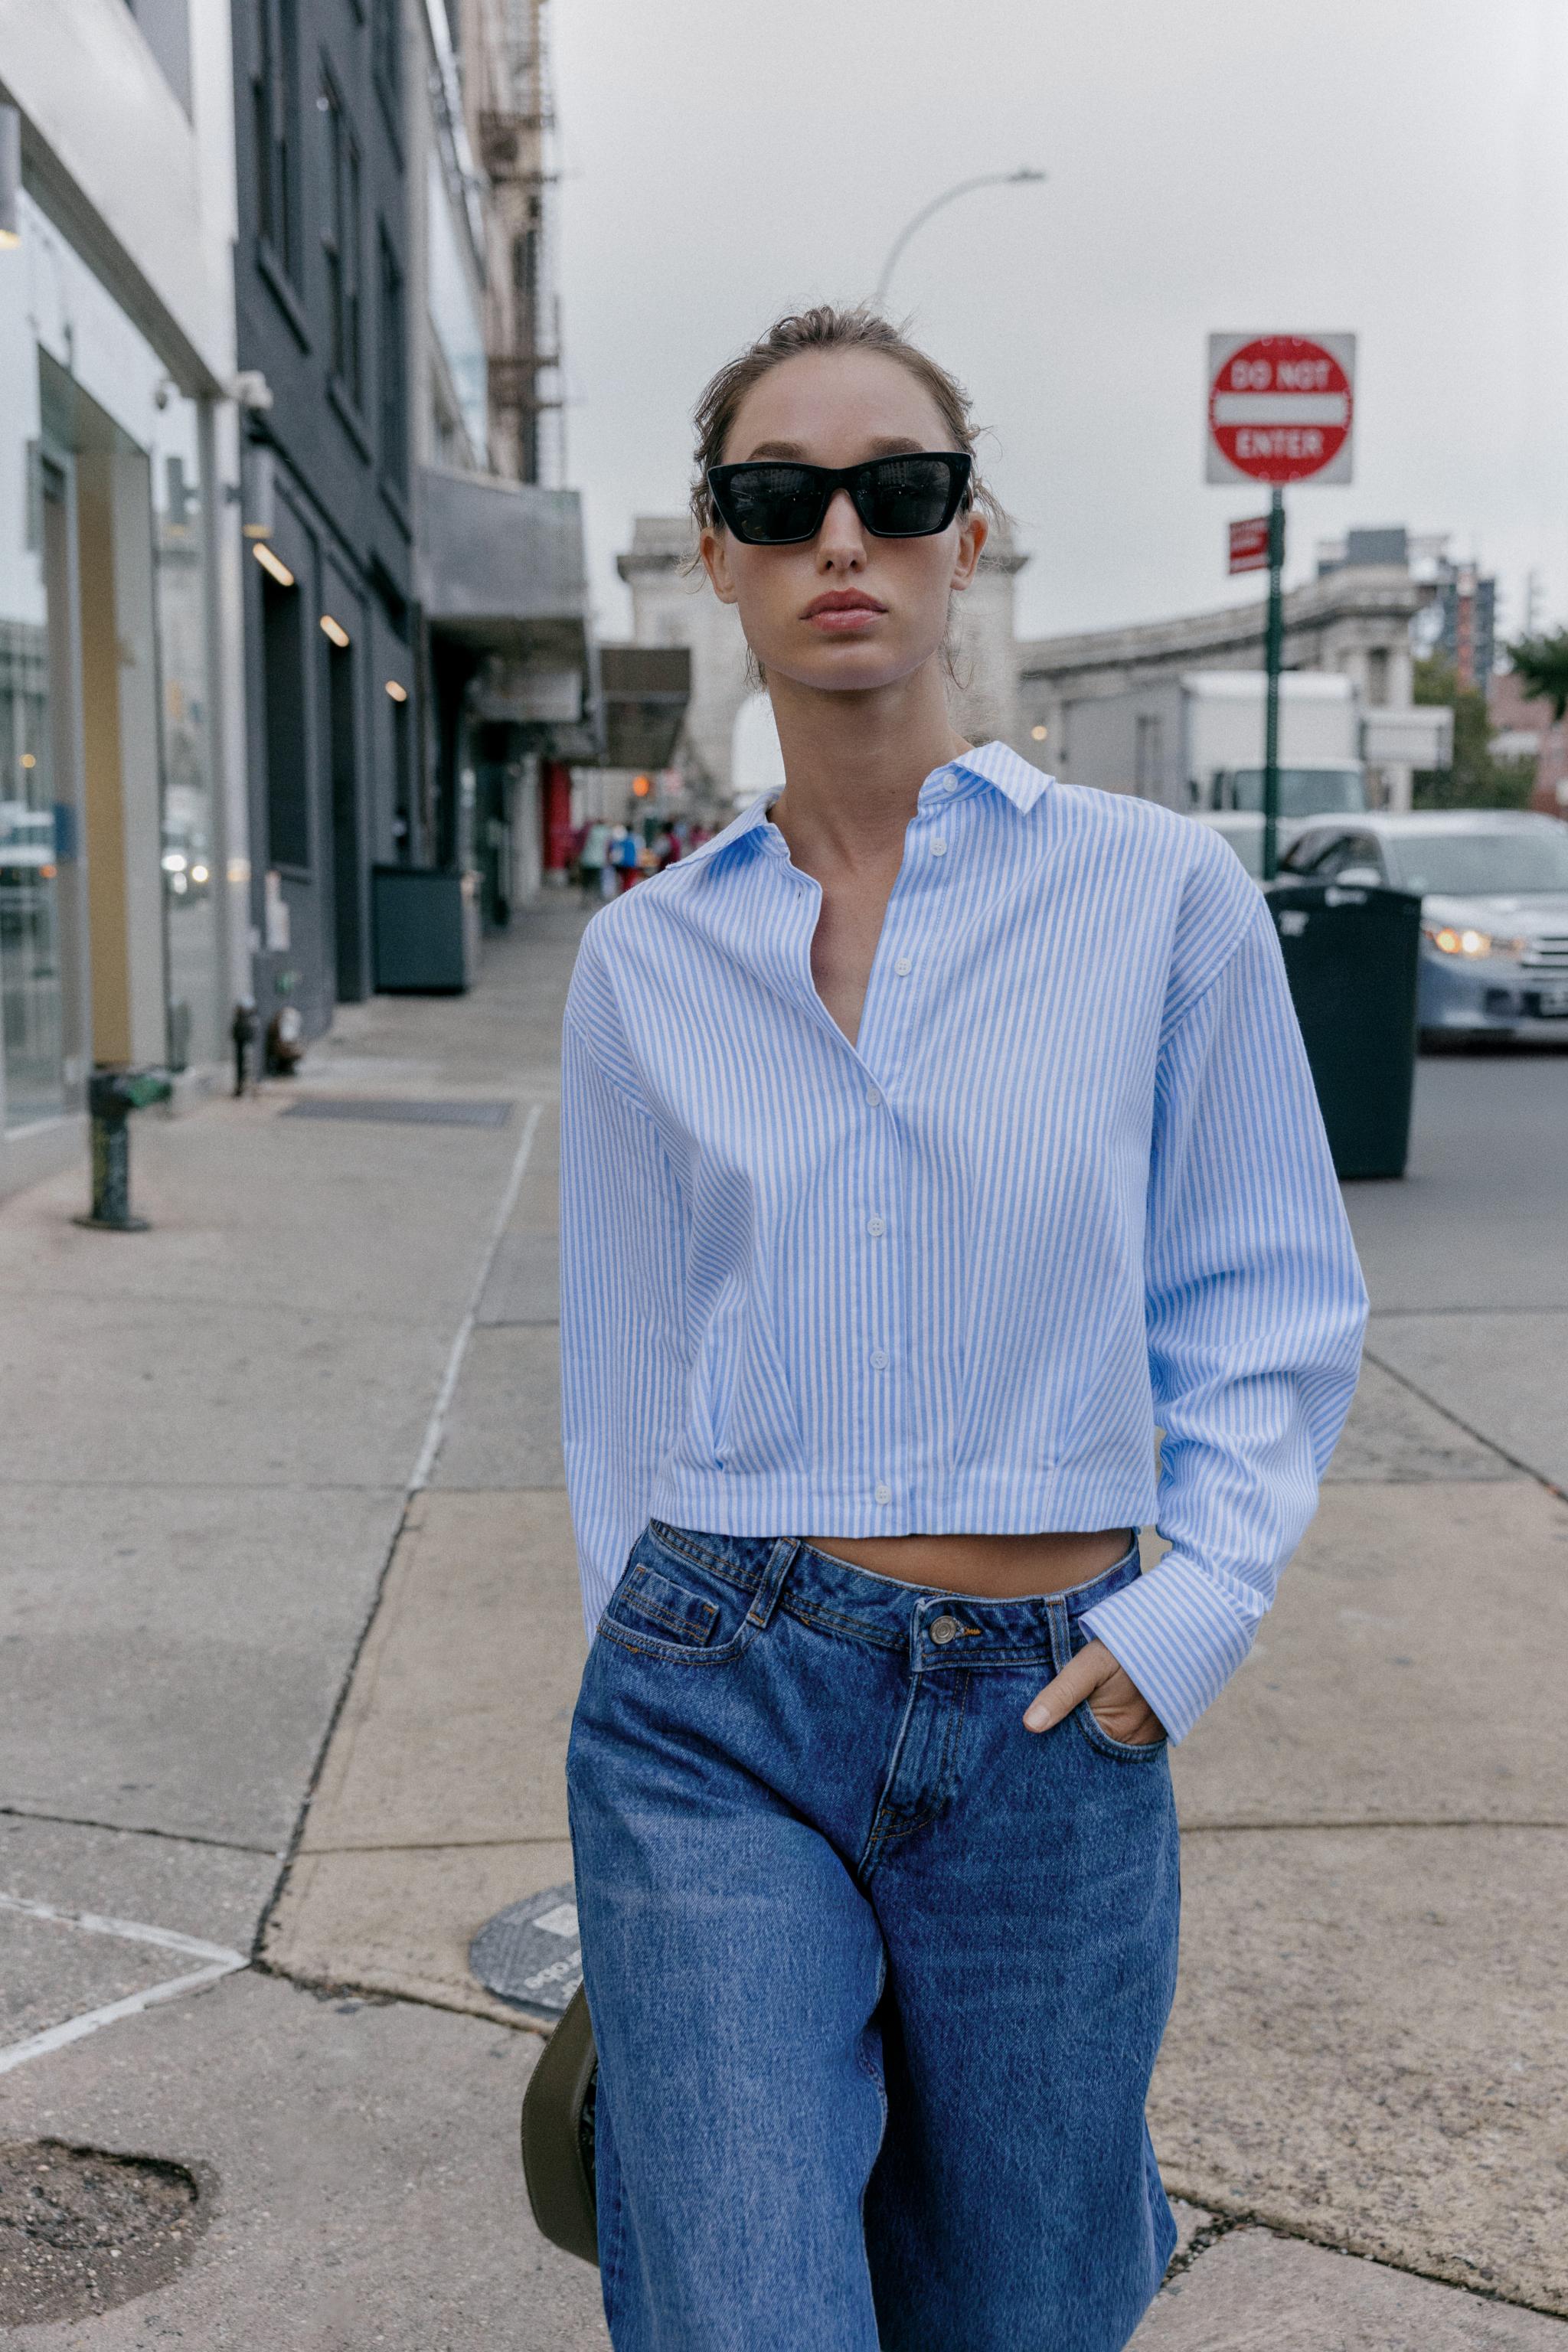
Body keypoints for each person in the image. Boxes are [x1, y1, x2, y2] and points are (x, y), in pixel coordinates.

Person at [559, 305, 1366, 2352]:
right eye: (779, 498)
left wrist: (1189, 1617)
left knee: (1027, 2305)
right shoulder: (647, 959)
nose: (842, 537)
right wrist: (624, 1641)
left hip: (1049, 1715)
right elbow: (624, 1362)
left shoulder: (1159, 894)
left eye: (896, 490)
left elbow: (1265, 1287)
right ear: (719, 552)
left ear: (966, 537)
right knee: (745, 2309)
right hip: (713, 1707)